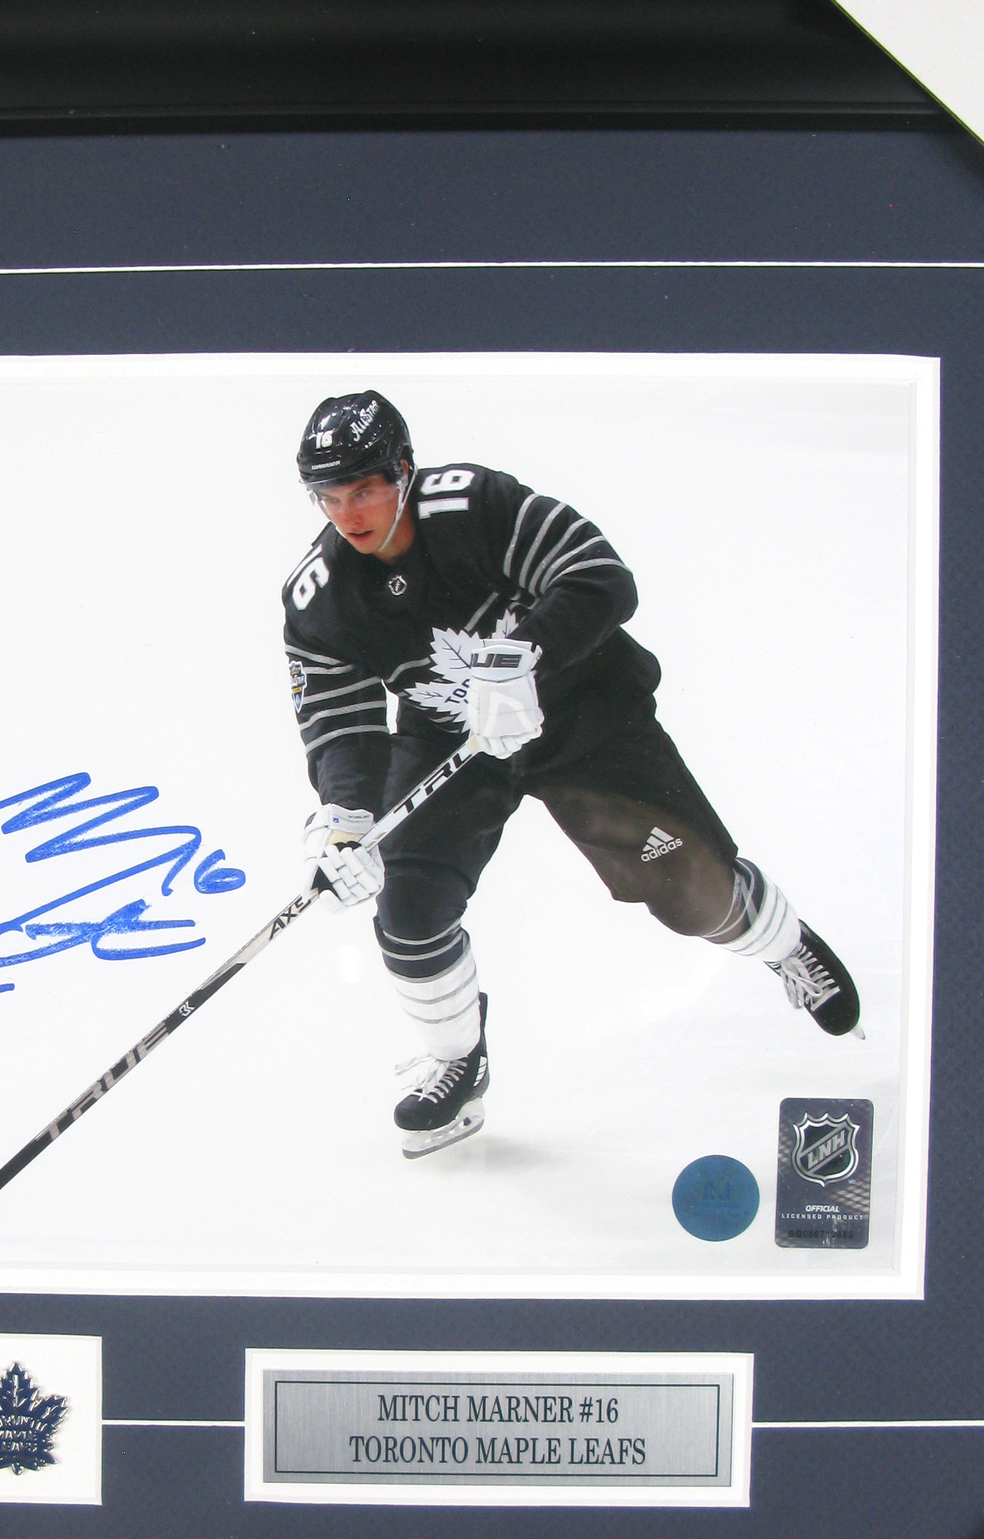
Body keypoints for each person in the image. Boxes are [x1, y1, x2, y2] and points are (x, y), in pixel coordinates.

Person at [282, 391, 859, 1157]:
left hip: (582, 710)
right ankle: (458, 1060)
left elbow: (600, 575)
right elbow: (340, 719)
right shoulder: (318, 598)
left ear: (404, 471)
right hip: (453, 739)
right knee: (408, 911)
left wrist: (521, 656)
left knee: (694, 890)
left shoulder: (474, 506)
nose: (348, 512)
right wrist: (345, 814)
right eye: (329, 495)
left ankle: (781, 940)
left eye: (364, 489)